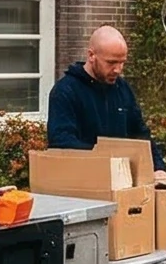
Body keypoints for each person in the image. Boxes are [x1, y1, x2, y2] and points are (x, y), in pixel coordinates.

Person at [46, 25, 159, 167]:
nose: (118, 70)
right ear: (91, 56)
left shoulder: (122, 89)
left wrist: (159, 168)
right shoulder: (65, 91)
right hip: (81, 177)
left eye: (122, 62)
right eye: (111, 62)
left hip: (122, 178)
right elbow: (61, 142)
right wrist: (106, 158)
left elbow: (141, 134)